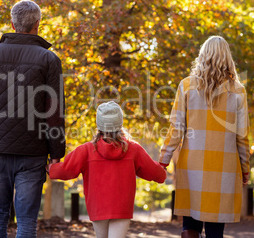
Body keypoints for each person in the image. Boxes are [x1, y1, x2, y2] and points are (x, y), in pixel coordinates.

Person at [0, 0, 65, 238]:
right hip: (34, 152)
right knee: (27, 221)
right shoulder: (49, 60)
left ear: (12, 23)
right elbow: (54, 112)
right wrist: (57, 153)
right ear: (37, 25)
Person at [159, 36, 250, 238]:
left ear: (202, 56)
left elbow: (176, 129)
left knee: (190, 226)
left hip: (193, 167)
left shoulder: (186, 86)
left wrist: (163, 160)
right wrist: (245, 169)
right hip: (224, 167)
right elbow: (242, 137)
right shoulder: (238, 91)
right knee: (215, 230)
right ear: (228, 58)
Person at [48, 101, 166, 238]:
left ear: (99, 126)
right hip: (122, 207)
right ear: (120, 123)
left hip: (98, 208)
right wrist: (162, 170)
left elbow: (65, 169)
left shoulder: (86, 150)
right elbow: (155, 173)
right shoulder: (133, 149)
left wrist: (50, 168)